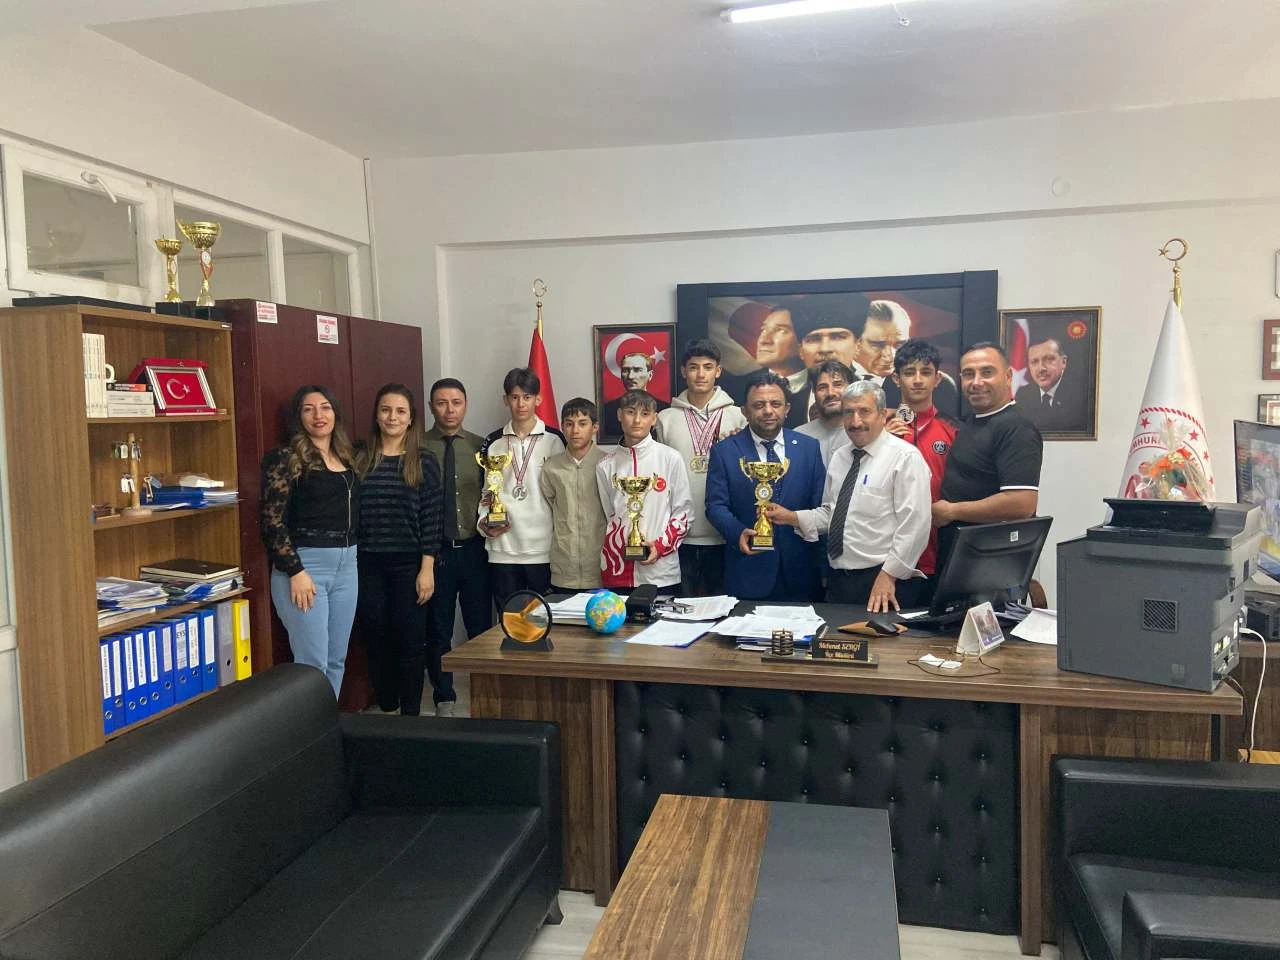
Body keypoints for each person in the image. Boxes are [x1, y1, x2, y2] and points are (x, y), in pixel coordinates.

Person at [767, 381, 932, 611]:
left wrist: (889, 575)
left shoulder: (905, 458)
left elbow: (915, 525)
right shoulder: (840, 457)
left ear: (882, 414)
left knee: (882, 637)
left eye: (864, 411)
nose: (855, 422)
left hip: (884, 581)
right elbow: (833, 514)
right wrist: (792, 517)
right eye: (848, 412)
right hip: (840, 581)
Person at [260, 385, 359, 696]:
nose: (319, 415)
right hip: (306, 569)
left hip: (347, 567)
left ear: (335, 413)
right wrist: (295, 571)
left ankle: (327, 721)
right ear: (298, 417)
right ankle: (309, 725)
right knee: (312, 665)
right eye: (309, 409)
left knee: (336, 660)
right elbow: (272, 521)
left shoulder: (347, 456)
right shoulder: (285, 457)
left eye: (325, 407)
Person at [354, 383, 442, 716]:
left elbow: (432, 517)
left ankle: (411, 715)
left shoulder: (423, 461)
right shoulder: (359, 458)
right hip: (366, 564)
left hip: (410, 565)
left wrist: (427, 568)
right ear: (377, 415)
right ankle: (388, 710)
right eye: (386, 410)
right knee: (376, 639)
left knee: (410, 642)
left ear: (411, 418)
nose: (392, 417)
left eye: (400, 411)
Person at [705, 371, 825, 601]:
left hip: (801, 572)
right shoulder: (725, 451)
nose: (768, 411)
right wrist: (737, 532)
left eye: (775, 404)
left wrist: (824, 567)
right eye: (759, 405)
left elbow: (820, 505)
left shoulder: (809, 448)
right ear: (745, 411)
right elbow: (715, 506)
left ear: (787, 408)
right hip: (747, 569)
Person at [933, 342, 1044, 566]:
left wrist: (952, 511)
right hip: (961, 555)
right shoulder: (972, 422)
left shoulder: (1016, 427)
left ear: (1008, 376)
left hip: (989, 563)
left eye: (987, 372)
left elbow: (1021, 503)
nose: (976, 382)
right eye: (968, 374)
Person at [654, 339, 748, 595]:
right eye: (694, 367)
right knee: (680, 606)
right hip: (680, 534)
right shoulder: (665, 419)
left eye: (708, 367)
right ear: (683, 371)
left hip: (725, 532)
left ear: (718, 371)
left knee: (723, 605)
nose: (700, 374)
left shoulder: (738, 416)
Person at [423, 377, 491, 717]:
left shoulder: (482, 448)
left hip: (476, 549)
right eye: (441, 403)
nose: (449, 410)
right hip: (436, 553)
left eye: (456, 402)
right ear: (431, 406)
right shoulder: (418, 448)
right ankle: (444, 696)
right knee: (439, 628)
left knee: (480, 626)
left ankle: (484, 695)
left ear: (465, 405)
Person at [479, 367, 567, 608]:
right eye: (515, 397)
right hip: (503, 547)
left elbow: (563, 496)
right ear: (505, 399)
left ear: (538, 399)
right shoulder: (493, 442)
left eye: (527, 397)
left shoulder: (555, 440)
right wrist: (484, 522)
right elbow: (486, 492)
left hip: (543, 548)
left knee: (544, 618)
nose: (521, 404)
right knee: (509, 619)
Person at [597, 389, 692, 593]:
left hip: (661, 573)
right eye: (631, 412)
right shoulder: (605, 465)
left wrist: (659, 547)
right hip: (618, 570)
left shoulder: (670, 458)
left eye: (645, 413)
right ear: (620, 415)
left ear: (654, 419)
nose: (637, 420)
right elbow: (609, 514)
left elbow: (684, 514)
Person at [885, 339, 957, 598]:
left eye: (925, 372)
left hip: (938, 549)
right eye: (909, 372)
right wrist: (883, 442)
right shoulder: (879, 428)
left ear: (937, 379)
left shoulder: (952, 429)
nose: (917, 380)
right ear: (896, 378)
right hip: (887, 553)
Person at [541, 397, 607, 592]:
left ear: (595, 427)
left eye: (582, 424)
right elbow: (549, 507)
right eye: (569, 424)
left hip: (600, 568)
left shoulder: (608, 464)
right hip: (564, 571)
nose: (575, 430)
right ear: (562, 427)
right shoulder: (551, 467)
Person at [1014, 336, 1088, 432]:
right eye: (1034, 362)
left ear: (1063, 362)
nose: (1041, 368)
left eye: (1049, 359)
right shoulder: (1023, 395)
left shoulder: (1081, 395)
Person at [796, 359, 854, 466]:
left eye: (837, 384)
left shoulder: (864, 432)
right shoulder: (799, 436)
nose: (830, 393)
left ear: (850, 388)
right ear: (814, 392)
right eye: (822, 387)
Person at [601, 350, 669, 429]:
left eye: (637, 370)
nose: (630, 376)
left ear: (650, 375)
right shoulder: (607, 409)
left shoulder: (664, 409)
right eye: (625, 370)